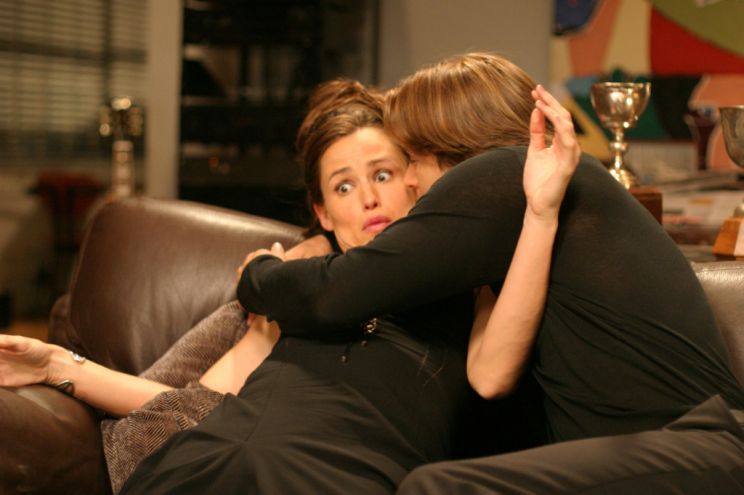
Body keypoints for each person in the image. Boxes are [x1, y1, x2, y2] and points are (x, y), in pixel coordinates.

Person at [235, 53, 744, 493]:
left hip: (694, 449)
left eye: (412, 158)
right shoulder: (520, 208)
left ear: (451, 143)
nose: (409, 181)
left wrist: (258, 273)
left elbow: (340, 291)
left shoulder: (502, 174)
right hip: (655, 453)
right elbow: (488, 376)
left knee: (438, 488)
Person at [115, 72, 579, 494]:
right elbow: (187, 400)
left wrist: (541, 214)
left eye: (383, 174)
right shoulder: (296, 282)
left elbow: (494, 375)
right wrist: (71, 370)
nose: (369, 199)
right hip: (214, 464)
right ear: (323, 213)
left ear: (415, 179)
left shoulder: (466, 282)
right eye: (343, 187)